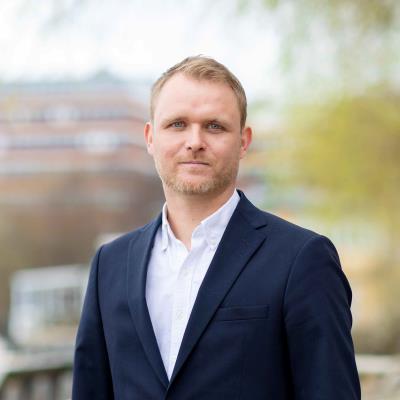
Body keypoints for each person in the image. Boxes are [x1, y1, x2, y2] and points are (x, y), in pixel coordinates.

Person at [72, 56, 361, 399]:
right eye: (177, 124)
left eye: (214, 126)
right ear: (150, 137)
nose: (195, 141)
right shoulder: (110, 264)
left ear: (243, 141)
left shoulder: (302, 259)